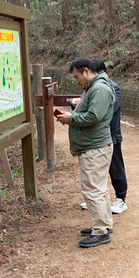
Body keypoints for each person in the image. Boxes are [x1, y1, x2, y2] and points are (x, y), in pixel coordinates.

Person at [56, 58, 115, 248]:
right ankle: (103, 225)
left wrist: (71, 118)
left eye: (77, 77)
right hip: (95, 145)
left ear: (86, 71)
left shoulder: (99, 89)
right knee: (99, 187)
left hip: (94, 148)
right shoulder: (96, 88)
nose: (77, 81)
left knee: (92, 189)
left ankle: (100, 232)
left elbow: (93, 116)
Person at [79, 59, 129, 214]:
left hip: (111, 135)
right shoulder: (92, 87)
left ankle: (121, 199)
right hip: (97, 136)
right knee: (97, 169)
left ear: (100, 72)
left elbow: (105, 110)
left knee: (115, 168)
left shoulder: (112, 88)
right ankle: (98, 200)